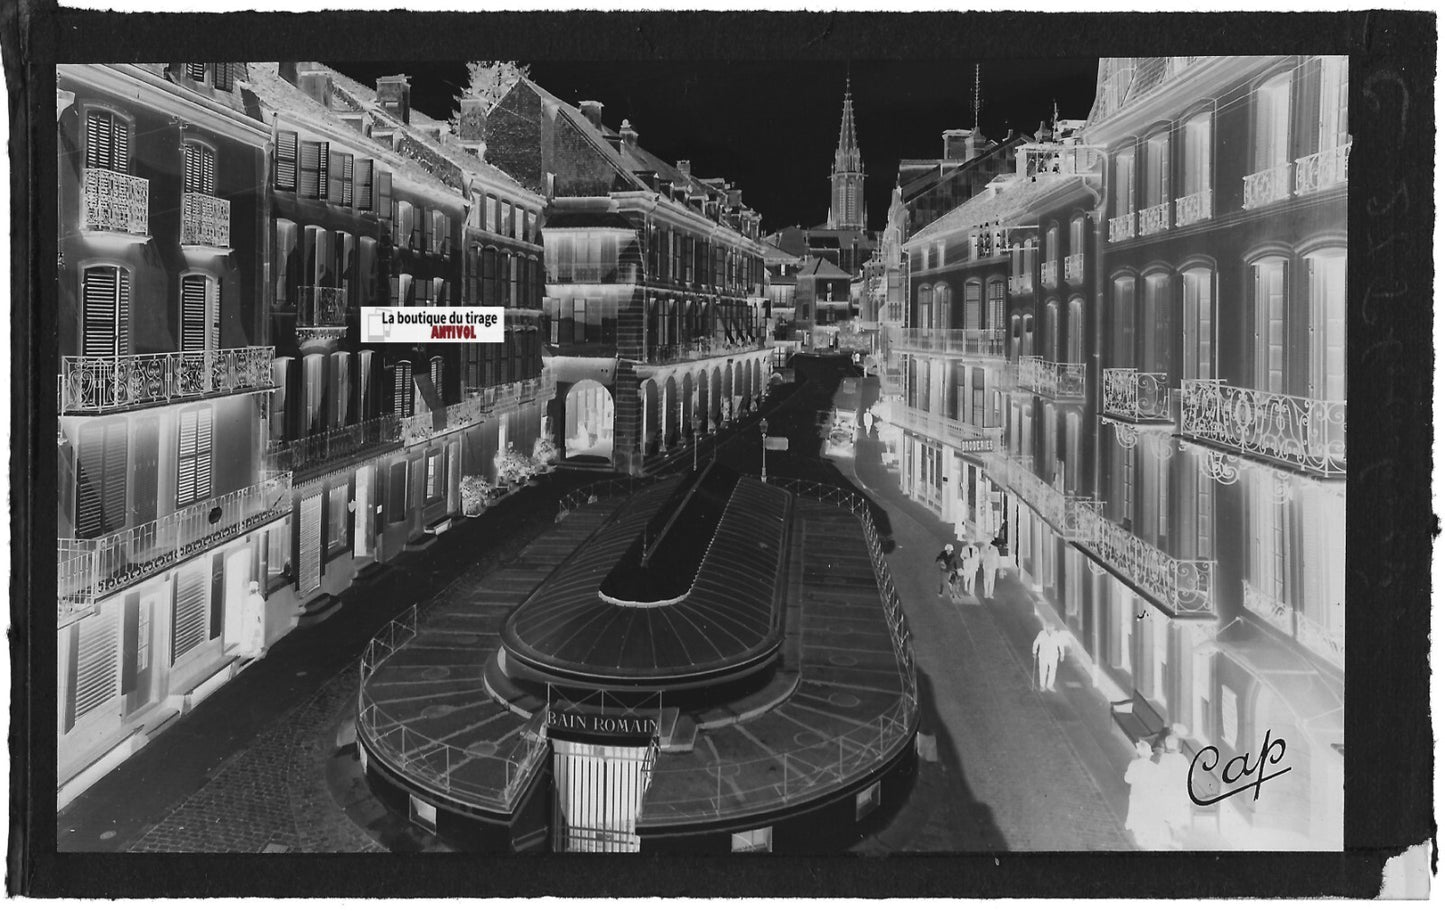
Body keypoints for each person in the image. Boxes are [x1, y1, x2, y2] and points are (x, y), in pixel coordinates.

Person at [1153, 726, 1194, 849]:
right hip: (1179, 794)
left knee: (1168, 816)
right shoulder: (1183, 759)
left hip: (1169, 794)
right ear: (1177, 747)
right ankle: (1175, 840)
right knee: (1176, 818)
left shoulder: (1163, 760)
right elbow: (1191, 778)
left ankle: (1170, 838)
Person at [1124, 740, 1167, 850]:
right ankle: (1144, 840)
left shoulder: (1134, 764)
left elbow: (1127, 779)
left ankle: (1136, 840)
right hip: (1148, 796)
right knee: (1145, 817)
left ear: (1138, 753)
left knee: (1135, 816)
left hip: (1136, 795)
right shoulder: (1154, 767)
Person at [1031, 625, 1065, 692]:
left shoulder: (1056, 635)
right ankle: (1042, 686)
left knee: (1052, 671)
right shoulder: (1042, 634)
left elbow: (1060, 644)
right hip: (1043, 656)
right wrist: (1034, 652)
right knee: (1043, 671)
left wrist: (1062, 654)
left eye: (1051, 628)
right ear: (1046, 628)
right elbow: (1036, 642)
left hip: (1053, 656)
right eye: (1049, 628)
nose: (1050, 629)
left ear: (1053, 628)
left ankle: (1050, 685)